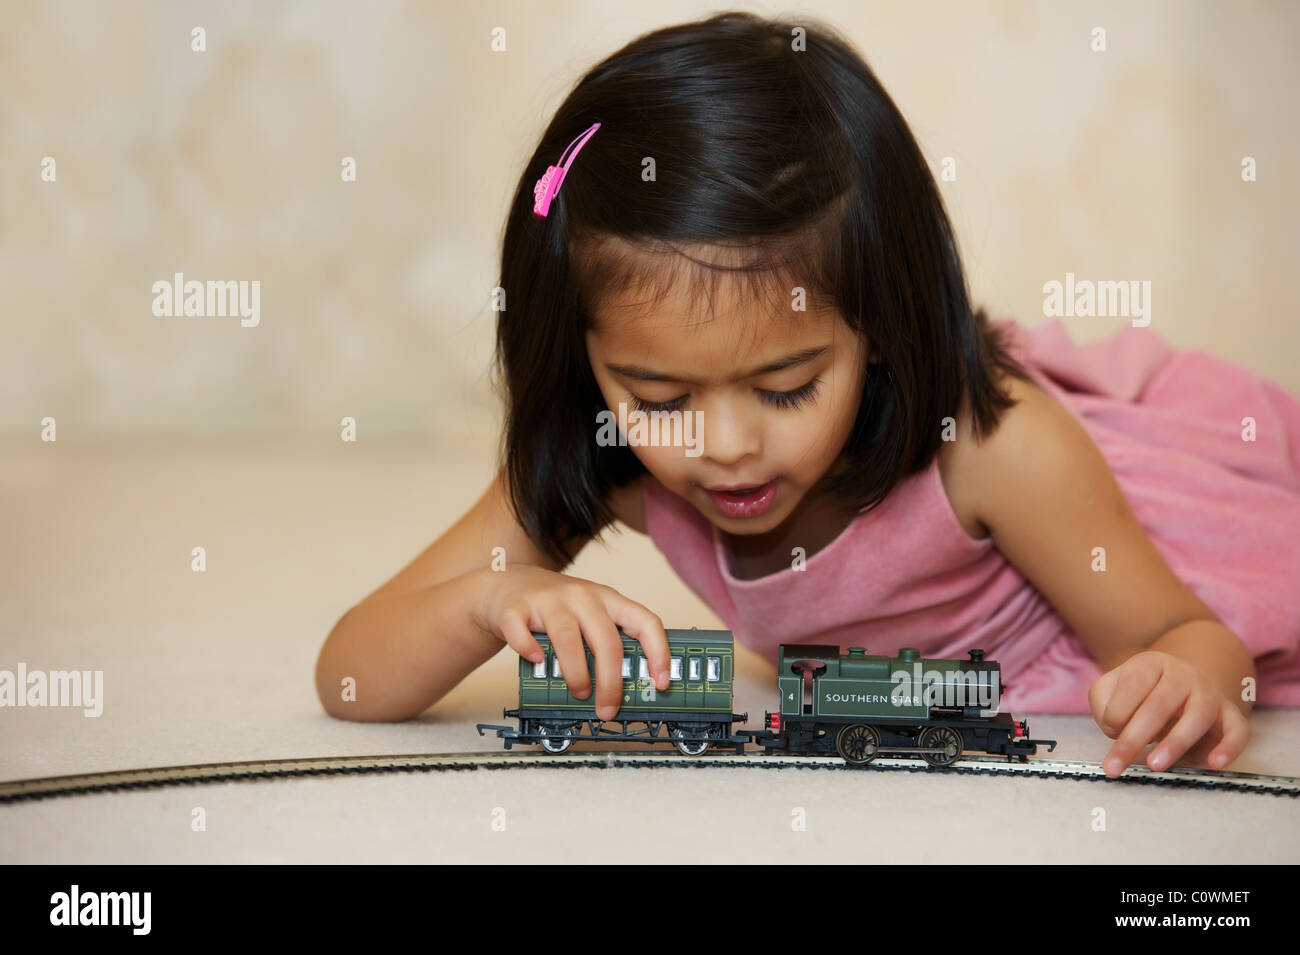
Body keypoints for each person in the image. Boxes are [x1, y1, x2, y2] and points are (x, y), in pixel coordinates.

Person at [315, 11, 1300, 778]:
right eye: (658, 394)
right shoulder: (607, 455)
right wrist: (490, 597)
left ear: (878, 325)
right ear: (582, 359)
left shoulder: (989, 447)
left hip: (1095, 562)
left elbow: (1188, 635)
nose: (726, 446)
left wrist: (1188, 679)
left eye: (786, 387)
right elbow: (351, 674)